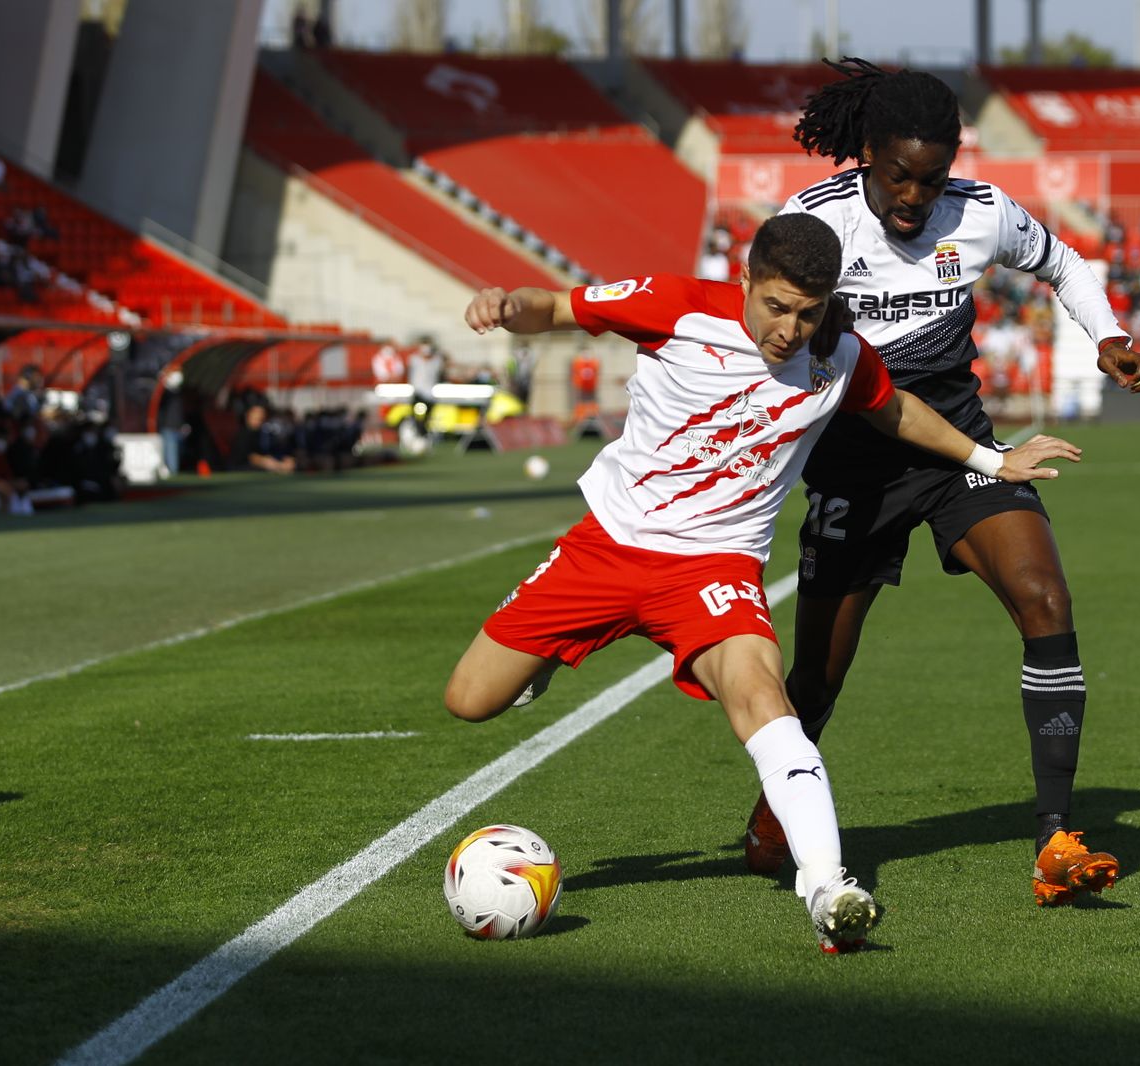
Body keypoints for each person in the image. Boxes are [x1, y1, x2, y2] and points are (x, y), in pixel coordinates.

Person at [442, 213, 1081, 951]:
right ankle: (549, 657)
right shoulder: (674, 305)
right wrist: (502, 304)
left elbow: (896, 409)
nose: (790, 328)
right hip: (608, 548)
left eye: (809, 312)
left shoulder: (839, 353)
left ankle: (828, 887)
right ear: (744, 280)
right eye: (777, 306)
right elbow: (555, 307)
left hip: (715, 569)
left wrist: (991, 459)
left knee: (763, 698)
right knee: (470, 700)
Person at [738, 58, 1140, 909]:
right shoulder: (812, 224)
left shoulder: (979, 212)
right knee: (818, 679)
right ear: (866, 154)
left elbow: (1062, 262)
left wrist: (1107, 335)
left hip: (960, 455)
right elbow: (764, 321)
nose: (914, 195)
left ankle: (1055, 837)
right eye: (899, 176)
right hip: (853, 469)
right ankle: (774, 812)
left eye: (931, 178)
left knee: (1045, 600)